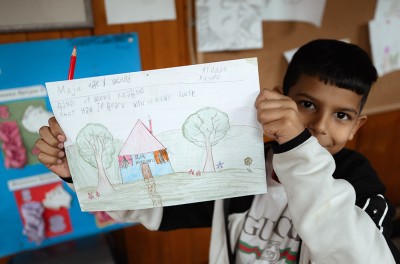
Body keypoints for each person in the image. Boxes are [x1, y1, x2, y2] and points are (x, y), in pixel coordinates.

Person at [36, 39, 400, 263]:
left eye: (340, 115)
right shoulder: (239, 161)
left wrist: (299, 150)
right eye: (306, 104)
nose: (320, 125)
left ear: (356, 126)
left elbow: (360, 257)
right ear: (280, 99)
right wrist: (77, 171)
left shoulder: (358, 180)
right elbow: (156, 206)